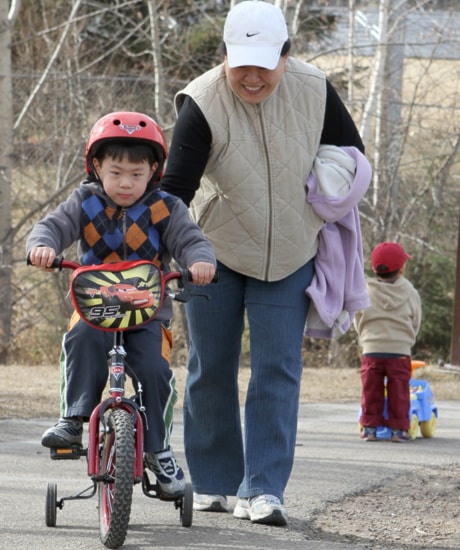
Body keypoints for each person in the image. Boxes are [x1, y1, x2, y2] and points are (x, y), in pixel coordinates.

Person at [160, 0, 365, 525]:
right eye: (240, 63)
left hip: (292, 250)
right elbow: (175, 191)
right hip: (214, 251)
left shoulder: (314, 88)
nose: (251, 76)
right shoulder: (203, 101)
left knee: (278, 369)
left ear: (286, 56)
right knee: (211, 366)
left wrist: (332, 182)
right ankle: (212, 481)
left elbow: (352, 152)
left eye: (264, 63)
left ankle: (264, 488)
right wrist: (150, 253)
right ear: (225, 54)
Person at [26, 111, 216, 497]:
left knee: (155, 369)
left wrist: (200, 262)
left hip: (147, 310)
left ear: (153, 170)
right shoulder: (84, 201)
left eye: (136, 173)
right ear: (96, 166)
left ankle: (159, 448)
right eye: (115, 172)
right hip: (95, 306)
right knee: (80, 338)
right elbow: (50, 227)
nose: (125, 183)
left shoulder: (166, 207)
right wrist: (42, 247)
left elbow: (191, 240)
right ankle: (73, 419)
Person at [354, 242, 422, 443]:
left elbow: (358, 318)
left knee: (371, 389)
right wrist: (407, 340)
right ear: (402, 269)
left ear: (375, 268)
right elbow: (416, 320)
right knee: (399, 390)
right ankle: (398, 429)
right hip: (400, 350)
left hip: (371, 349)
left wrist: (366, 340)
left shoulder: (366, 289)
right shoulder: (410, 292)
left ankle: (369, 427)